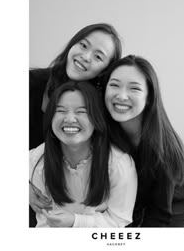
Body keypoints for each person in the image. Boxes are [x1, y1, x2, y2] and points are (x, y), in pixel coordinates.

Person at [29, 23, 122, 226]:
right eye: (83, 45)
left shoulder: (99, 108)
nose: (86, 56)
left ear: (104, 71)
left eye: (98, 56)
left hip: (69, 209)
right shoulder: (31, 82)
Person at [104, 55, 184, 227]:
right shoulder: (105, 124)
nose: (121, 95)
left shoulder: (162, 150)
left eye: (134, 89)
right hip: (143, 186)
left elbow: (159, 215)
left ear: (149, 97)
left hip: (181, 192)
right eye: (114, 85)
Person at [29, 81, 137, 227]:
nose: (69, 119)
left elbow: (117, 221)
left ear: (96, 119)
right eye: (60, 111)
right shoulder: (39, 157)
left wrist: (75, 221)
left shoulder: (118, 164)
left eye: (81, 112)